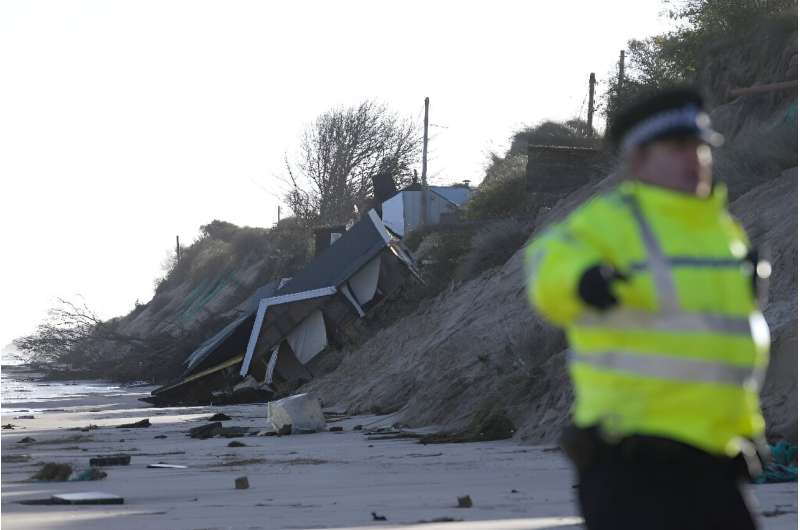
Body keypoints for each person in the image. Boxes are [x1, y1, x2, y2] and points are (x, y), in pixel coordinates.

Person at [524, 87, 771, 530]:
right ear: (637, 160)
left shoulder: (724, 232)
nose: (694, 159)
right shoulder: (611, 221)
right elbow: (546, 264)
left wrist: (747, 431)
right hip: (632, 464)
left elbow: (726, 349)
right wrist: (582, 280)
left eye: (700, 148)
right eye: (677, 148)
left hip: (715, 458)